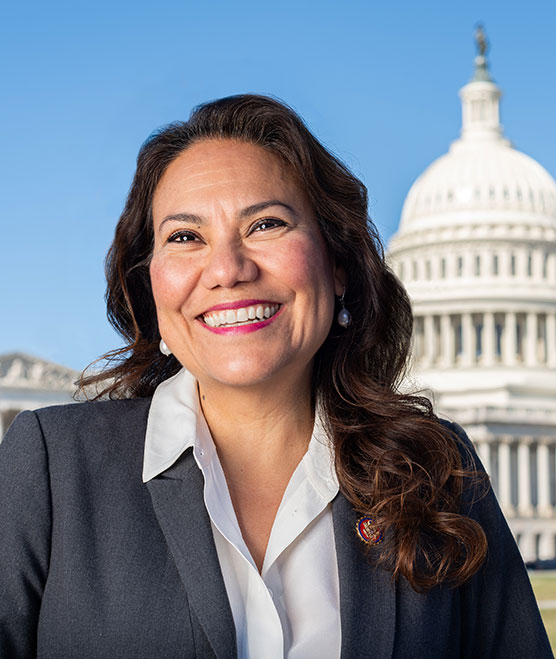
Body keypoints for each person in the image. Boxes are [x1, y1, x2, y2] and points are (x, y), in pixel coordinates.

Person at [0, 94, 551, 659]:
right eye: (186, 237)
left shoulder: (434, 467)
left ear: (338, 266)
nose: (228, 270)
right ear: (150, 286)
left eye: (266, 224)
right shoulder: (51, 466)